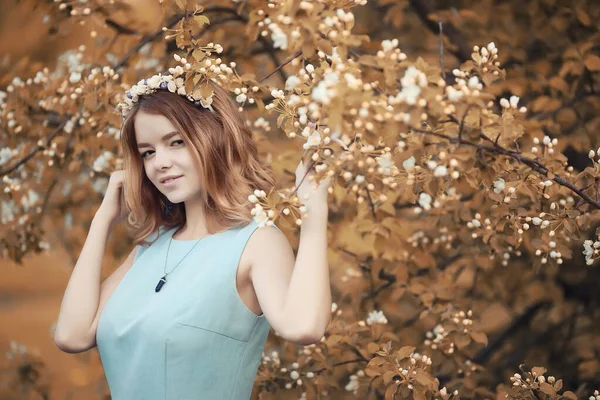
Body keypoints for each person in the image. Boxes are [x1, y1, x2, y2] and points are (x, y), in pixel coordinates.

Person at [53, 71, 332, 399]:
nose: (160, 163)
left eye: (176, 142)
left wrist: (314, 207)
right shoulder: (149, 249)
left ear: (214, 138)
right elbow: (71, 336)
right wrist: (102, 221)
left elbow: (304, 326)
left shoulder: (257, 242)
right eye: (147, 152)